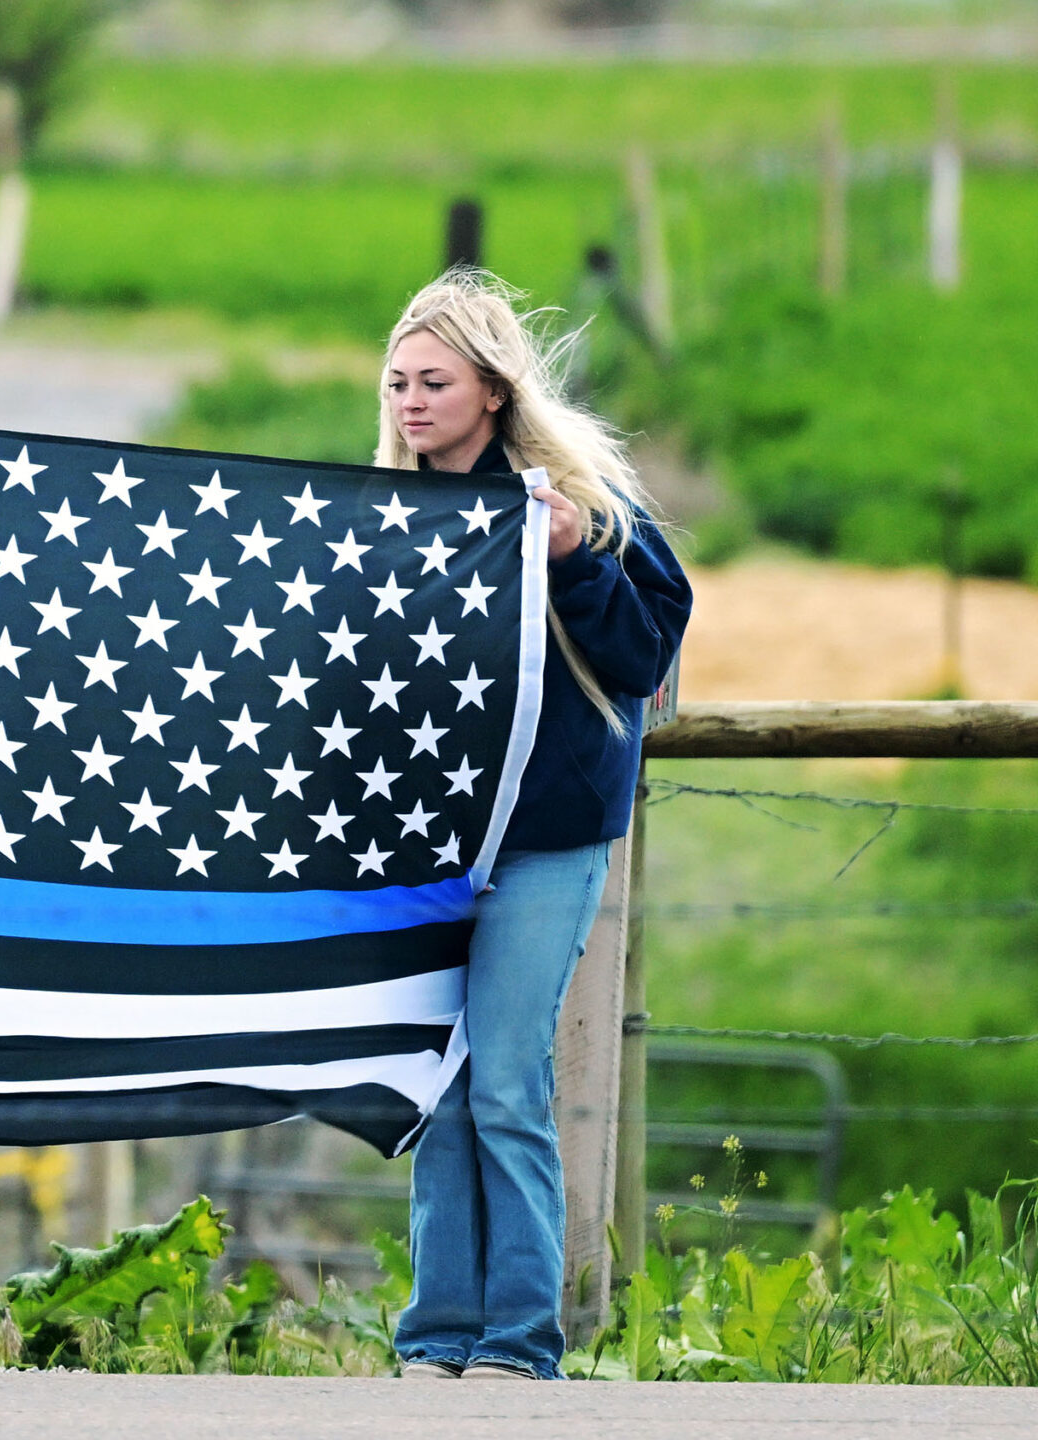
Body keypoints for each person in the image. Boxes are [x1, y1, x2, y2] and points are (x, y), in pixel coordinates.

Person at [375, 268, 692, 1382]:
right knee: (440, 1082)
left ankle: (519, 1336)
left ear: (493, 391)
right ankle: (433, 1329)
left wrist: (570, 566)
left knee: (507, 1074)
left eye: (434, 381)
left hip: (546, 833)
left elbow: (645, 654)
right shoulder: (381, 518)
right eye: (398, 382)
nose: (411, 402)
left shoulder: (586, 504)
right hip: (424, 841)